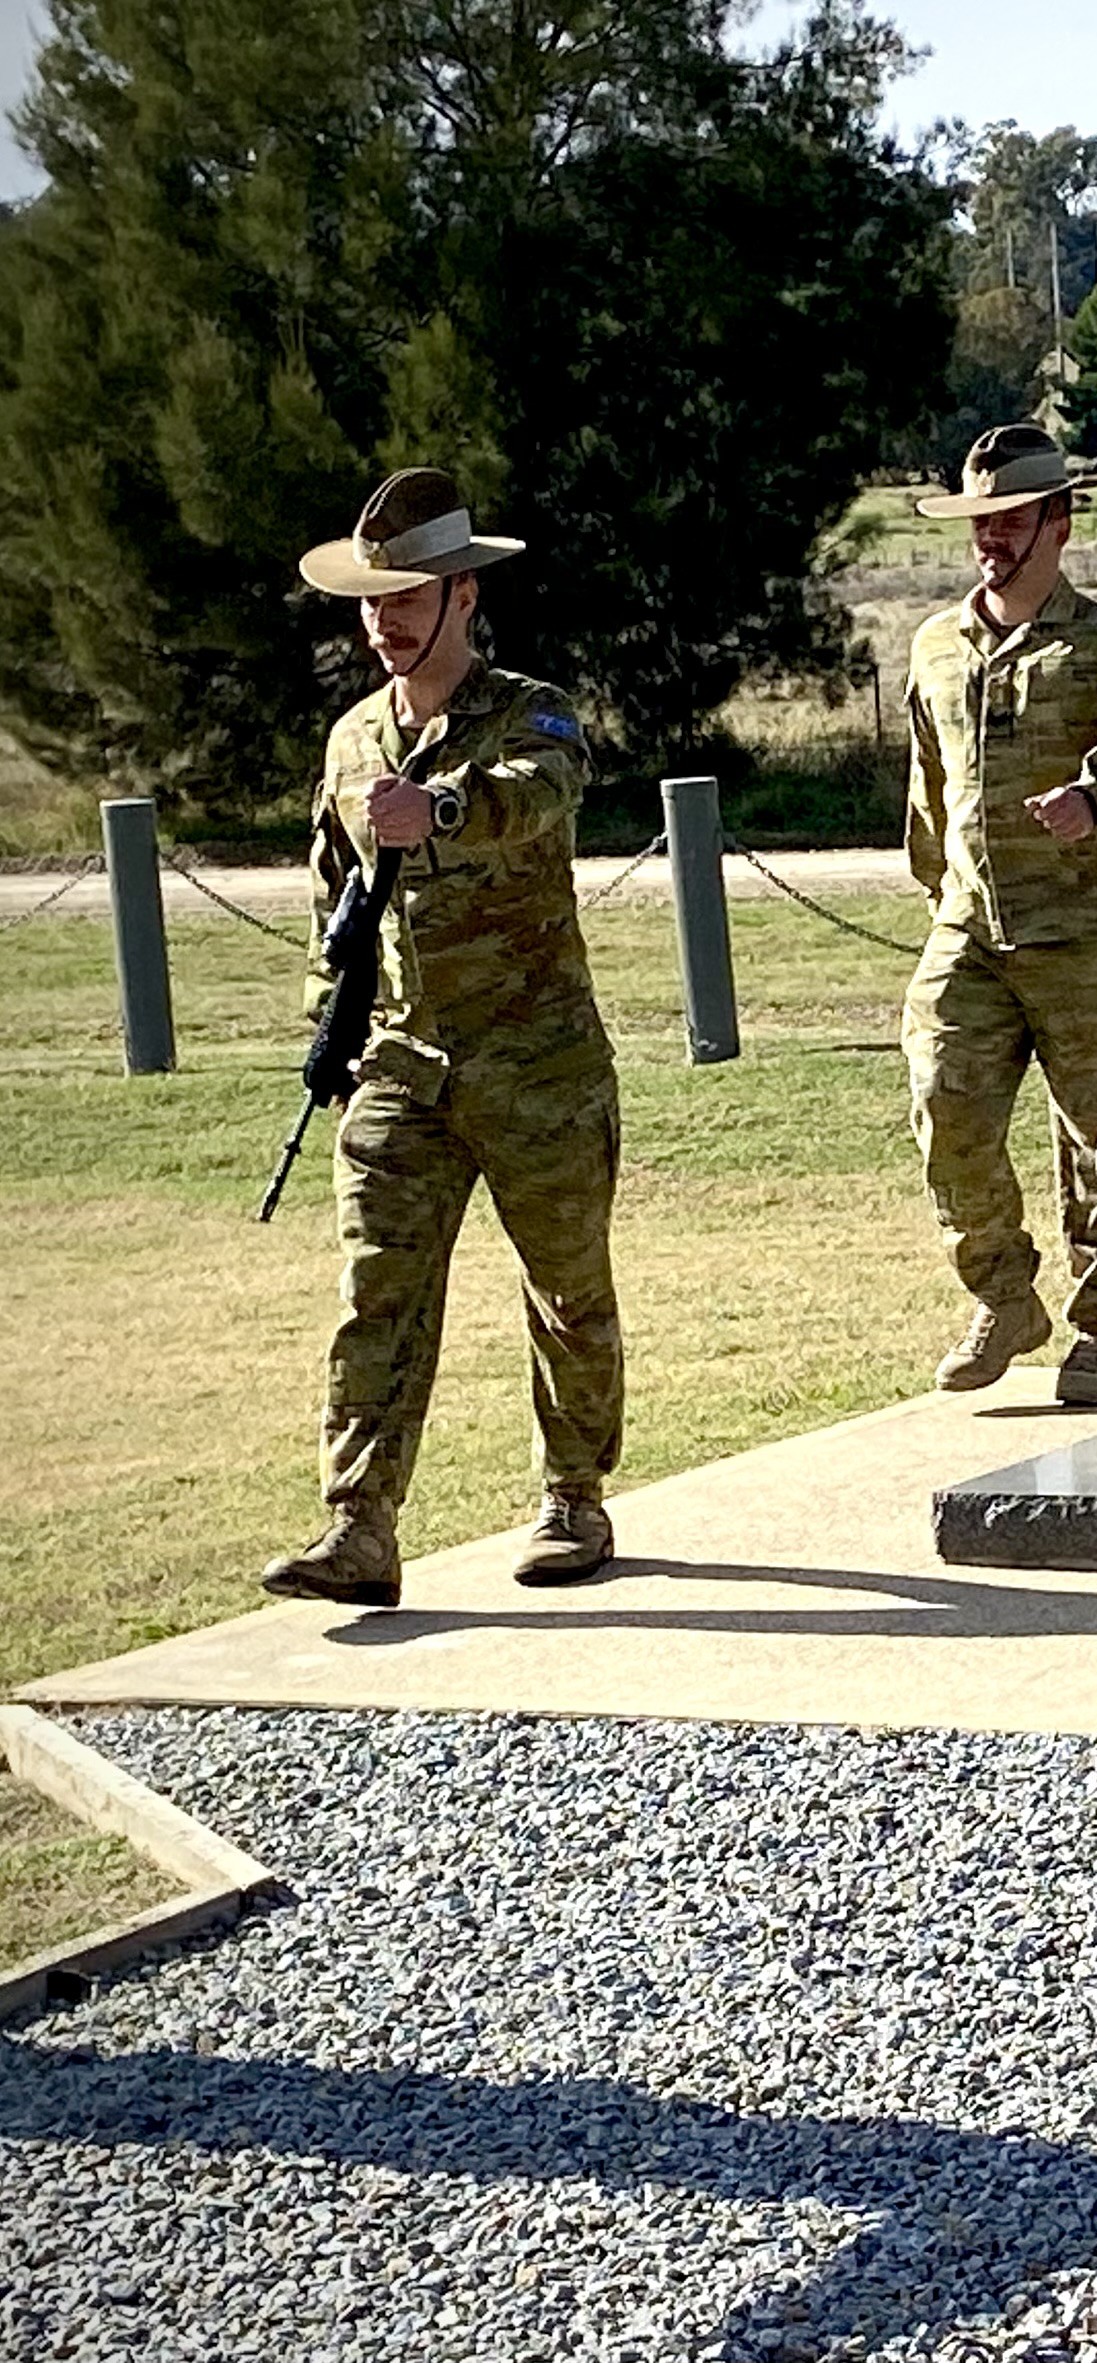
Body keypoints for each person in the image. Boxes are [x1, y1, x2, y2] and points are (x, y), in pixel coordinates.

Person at [263, 469, 624, 1607]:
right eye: (374, 598)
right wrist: (330, 1019)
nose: (388, 616)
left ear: (465, 592)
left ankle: (573, 1496)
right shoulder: (352, 740)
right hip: (401, 1067)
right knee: (377, 1292)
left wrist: (445, 811)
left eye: (412, 592)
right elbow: (335, 895)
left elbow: (543, 790)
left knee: (566, 1289)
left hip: (538, 1067)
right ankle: (357, 1527)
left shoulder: (533, 708)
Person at [903, 423, 1097, 1399]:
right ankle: (1001, 1297)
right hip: (970, 931)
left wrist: (1093, 796)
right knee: (945, 1102)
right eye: (980, 520)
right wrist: (940, 884)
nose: (991, 537)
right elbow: (930, 784)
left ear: (1058, 522)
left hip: (1083, 936)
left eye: (1012, 518)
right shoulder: (937, 645)